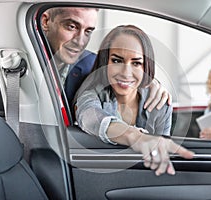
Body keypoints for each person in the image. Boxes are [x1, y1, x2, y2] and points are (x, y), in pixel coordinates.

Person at [75, 25, 194, 176]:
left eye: (136, 63)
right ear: (105, 63)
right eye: (117, 61)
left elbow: (161, 158)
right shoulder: (92, 94)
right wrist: (135, 136)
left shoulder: (160, 105)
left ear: (145, 67)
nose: (126, 73)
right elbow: (90, 117)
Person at [41, 7, 171, 112]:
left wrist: (151, 84)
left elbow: (122, 74)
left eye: (88, 31)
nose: (80, 42)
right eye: (71, 27)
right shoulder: (23, 65)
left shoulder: (90, 63)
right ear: (45, 22)